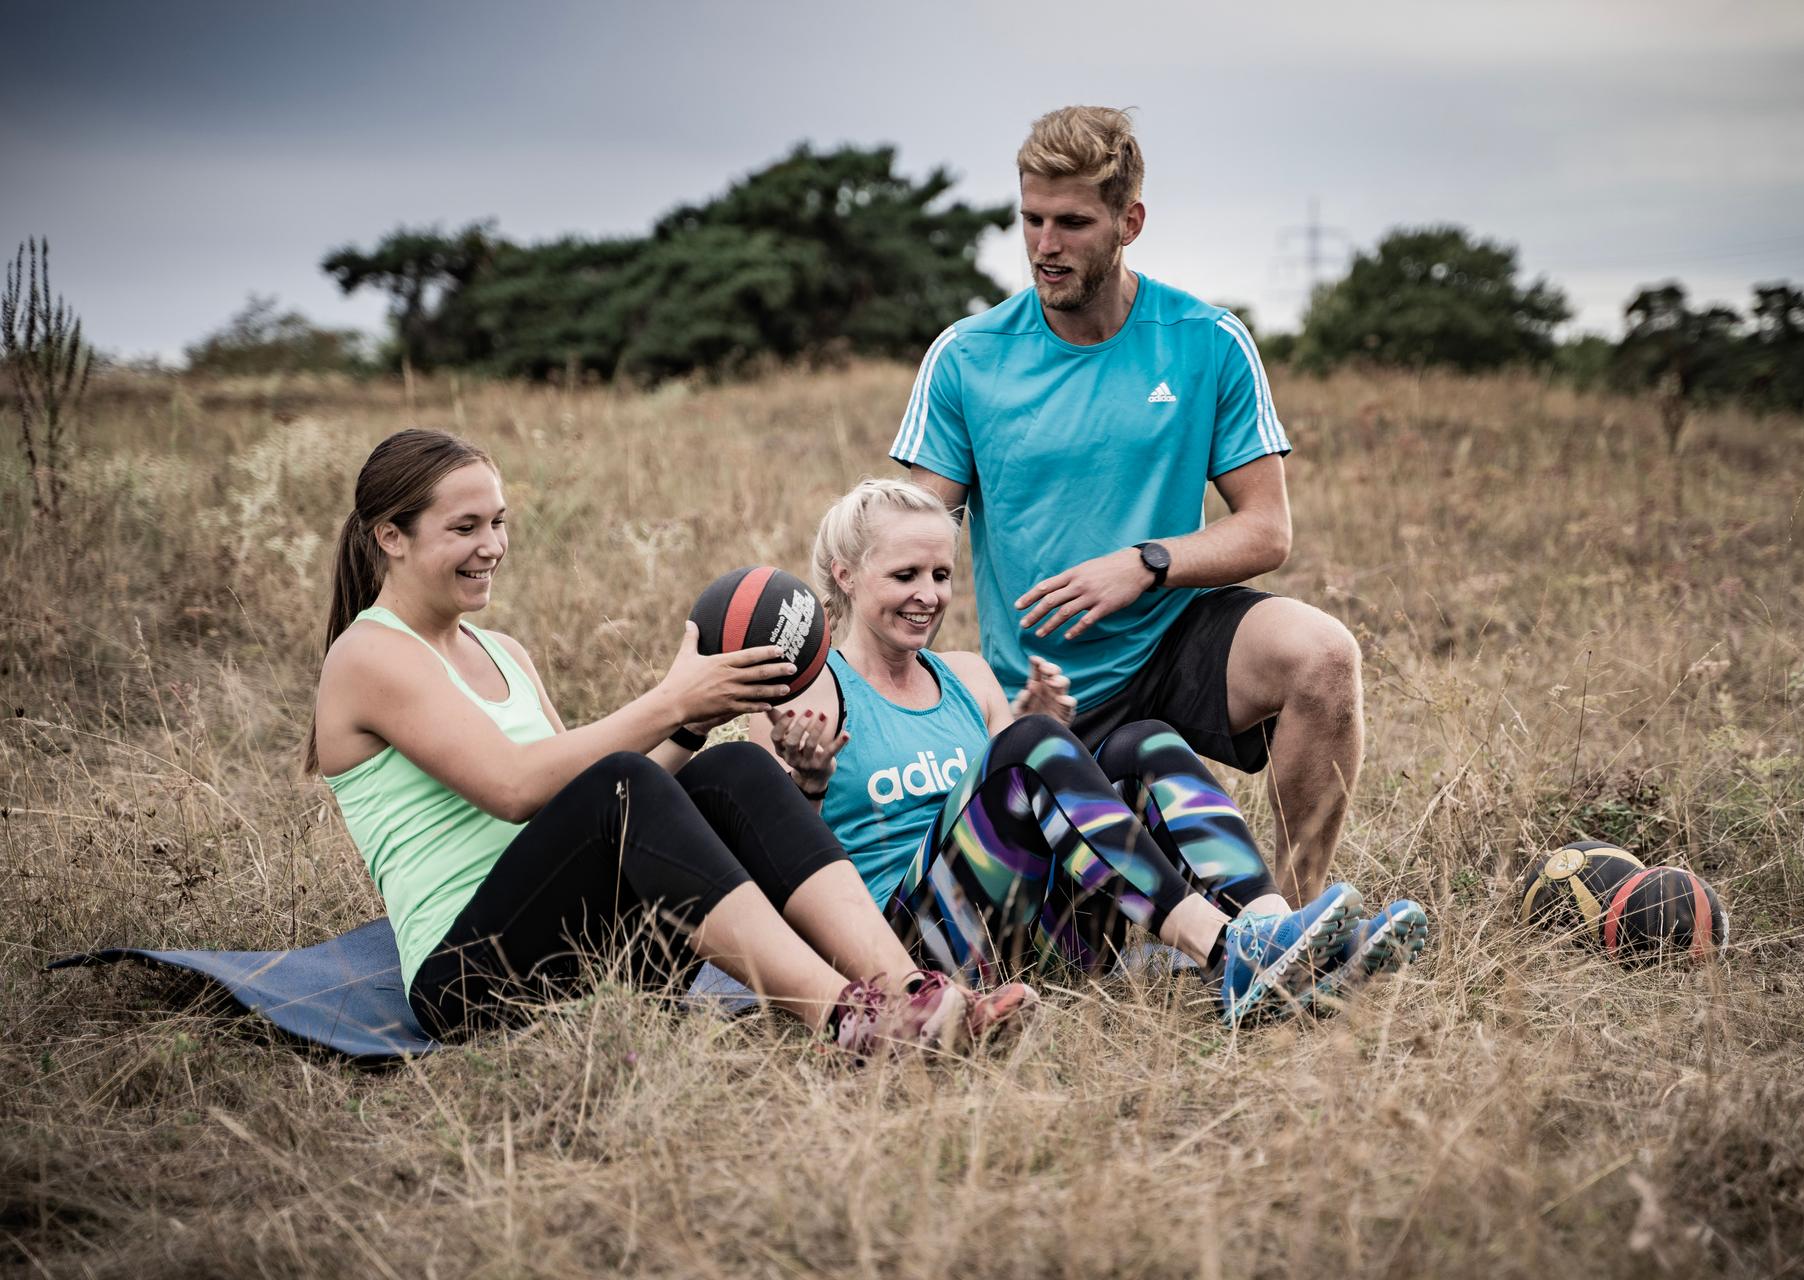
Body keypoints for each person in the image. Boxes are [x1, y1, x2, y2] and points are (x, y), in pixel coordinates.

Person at [888, 106, 1427, 979]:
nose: (1045, 245)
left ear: (1129, 223)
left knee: (1324, 656)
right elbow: (909, 535)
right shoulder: (967, 357)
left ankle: (1289, 932)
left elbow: (1266, 529)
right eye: (1031, 219)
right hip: (1050, 685)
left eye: (1072, 221)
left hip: (1168, 637)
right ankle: (1243, 941)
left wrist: (1146, 563)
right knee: (1099, 837)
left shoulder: (1206, 342)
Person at [307, 428, 1031, 1062]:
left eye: (498, 522)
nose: (491, 546)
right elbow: (516, 787)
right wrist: (671, 699)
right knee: (620, 781)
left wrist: (690, 725)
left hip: (591, 954)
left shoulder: (503, 653)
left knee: (733, 765)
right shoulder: (370, 656)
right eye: (464, 528)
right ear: (390, 537)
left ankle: (912, 991)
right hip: (471, 983)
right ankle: (848, 1020)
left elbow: (591, 820)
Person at [751, 479, 1412, 1024]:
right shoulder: (805, 695)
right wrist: (806, 784)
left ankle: (1275, 933)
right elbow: (785, 872)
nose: (929, 594)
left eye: (942, 574)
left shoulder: (967, 676)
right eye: (905, 574)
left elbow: (1005, 817)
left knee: (1138, 741)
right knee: (1030, 745)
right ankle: (1225, 951)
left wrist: (1043, 734)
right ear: (845, 574)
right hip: (906, 952)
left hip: (1037, 939)